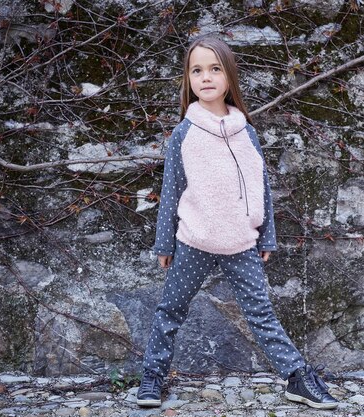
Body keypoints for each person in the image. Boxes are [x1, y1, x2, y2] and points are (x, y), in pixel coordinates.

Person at [136, 35, 337, 410]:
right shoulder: (185, 133)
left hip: (241, 244)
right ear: (188, 78)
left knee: (261, 313)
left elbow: (260, 187)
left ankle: (296, 377)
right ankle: (153, 376)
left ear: (229, 76)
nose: (206, 77)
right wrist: (165, 243)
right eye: (197, 70)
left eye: (215, 69)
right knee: (170, 310)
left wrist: (267, 237)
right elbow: (171, 189)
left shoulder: (247, 132)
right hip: (195, 241)